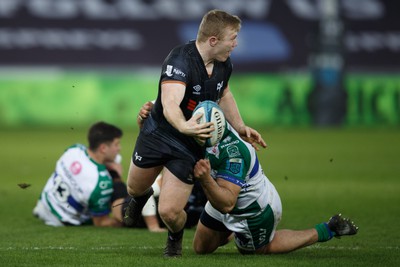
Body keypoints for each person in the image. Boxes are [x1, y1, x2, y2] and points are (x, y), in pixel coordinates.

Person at [123, 9, 267, 257]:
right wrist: (184, 126)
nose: (236, 43)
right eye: (232, 38)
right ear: (213, 40)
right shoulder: (179, 60)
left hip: (190, 144)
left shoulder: (224, 63)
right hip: (158, 133)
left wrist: (241, 126)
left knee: (169, 211)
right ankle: (139, 199)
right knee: (134, 189)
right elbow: (170, 103)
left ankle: (174, 237)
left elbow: (224, 94)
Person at [192, 116, 359, 255]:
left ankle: (327, 229)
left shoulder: (234, 154)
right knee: (201, 248)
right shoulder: (214, 126)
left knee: (257, 251)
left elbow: (227, 204)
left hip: (254, 210)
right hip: (225, 193)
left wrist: (206, 179)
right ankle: (231, 230)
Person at [33, 121, 165, 232]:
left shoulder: (74, 150)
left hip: (44, 205)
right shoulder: (100, 183)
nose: (119, 148)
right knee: (126, 210)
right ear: (103, 148)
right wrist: (120, 221)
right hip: (63, 221)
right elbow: (101, 222)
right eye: (116, 144)